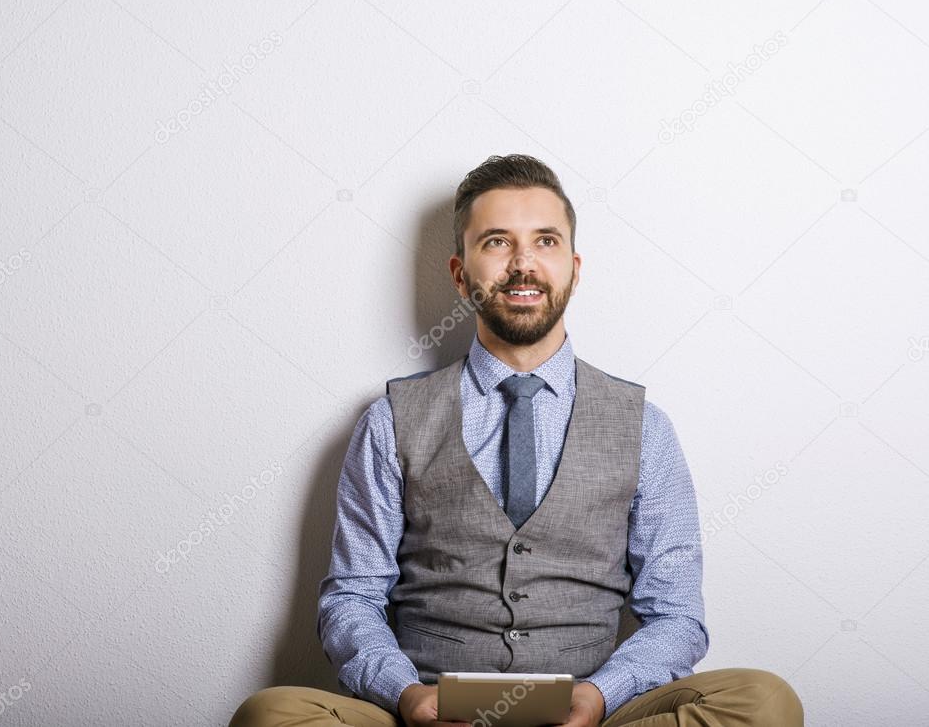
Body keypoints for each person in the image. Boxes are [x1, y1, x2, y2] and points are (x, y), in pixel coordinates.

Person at [229, 154, 804, 726]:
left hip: (590, 713)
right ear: (461, 274)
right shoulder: (390, 421)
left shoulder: (645, 428)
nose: (523, 263)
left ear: (575, 269)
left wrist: (602, 695)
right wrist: (408, 697)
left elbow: (677, 617)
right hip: (430, 708)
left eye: (546, 242)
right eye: (497, 242)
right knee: (272, 714)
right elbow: (352, 599)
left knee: (762, 702)